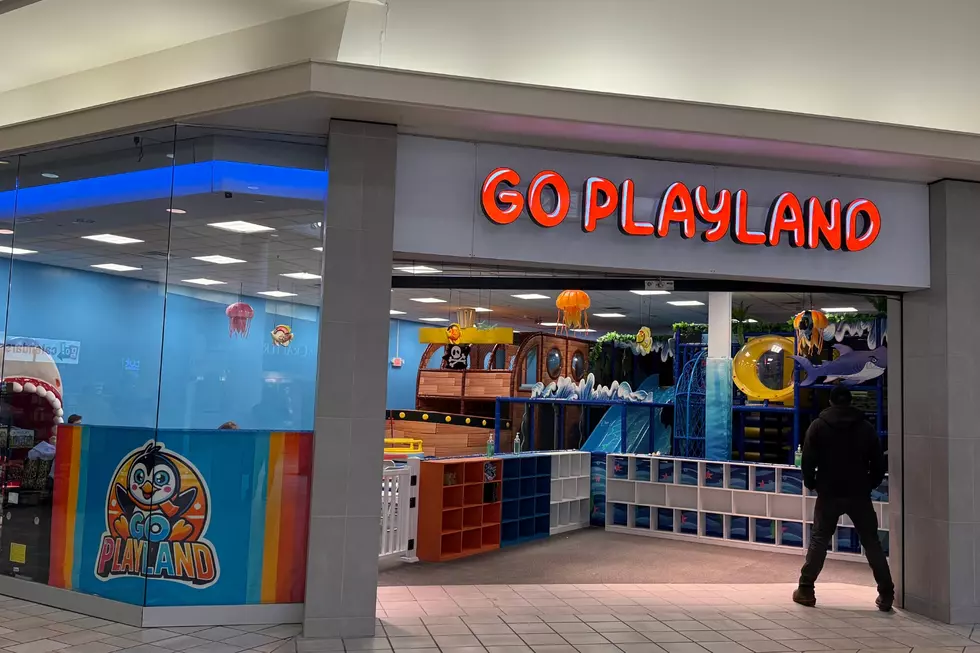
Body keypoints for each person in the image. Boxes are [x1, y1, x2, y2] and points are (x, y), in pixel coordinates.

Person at [794, 385, 893, 610]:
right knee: (871, 542)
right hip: (858, 492)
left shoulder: (818, 426)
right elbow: (878, 462)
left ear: (830, 402)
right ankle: (886, 594)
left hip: (829, 492)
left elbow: (808, 459)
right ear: (850, 401)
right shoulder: (866, 428)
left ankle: (806, 590)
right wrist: (869, 484)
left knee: (819, 540)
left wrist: (812, 483)